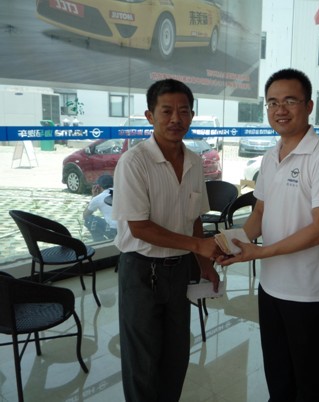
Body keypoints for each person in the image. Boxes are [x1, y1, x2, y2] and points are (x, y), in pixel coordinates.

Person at [219, 68, 319, 402]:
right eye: (273, 102)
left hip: (306, 289)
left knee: (308, 376)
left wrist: (260, 252)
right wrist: (233, 244)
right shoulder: (270, 156)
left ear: (308, 106)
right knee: (277, 370)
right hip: (271, 285)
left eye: (290, 101)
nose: (280, 109)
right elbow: (259, 214)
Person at [112, 78, 221, 402]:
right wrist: (198, 246)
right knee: (142, 362)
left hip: (179, 270)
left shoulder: (194, 161)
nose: (176, 119)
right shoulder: (134, 162)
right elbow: (139, 227)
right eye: (167, 111)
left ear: (192, 115)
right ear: (150, 116)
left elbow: (195, 218)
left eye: (184, 111)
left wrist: (205, 264)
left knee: (176, 354)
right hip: (140, 270)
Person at [83, 174, 117, 242]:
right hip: (127, 229)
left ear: (98, 187)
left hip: (114, 229)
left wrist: (94, 196)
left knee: (89, 220)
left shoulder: (98, 198)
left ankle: (99, 241)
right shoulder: (122, 193)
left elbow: (85, 215)